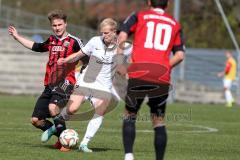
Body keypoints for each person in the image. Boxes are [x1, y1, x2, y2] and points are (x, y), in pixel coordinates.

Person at [43, 18, 132, 152]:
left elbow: (124, 67)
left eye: (107, 33)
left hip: (103, 87)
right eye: (102, 33)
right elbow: (79, 54)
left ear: (115, 32)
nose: (104, 35)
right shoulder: (95, 41)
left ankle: (84, 144)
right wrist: (65, 60)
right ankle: (55, 127)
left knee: (100, 111)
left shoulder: (123, 48)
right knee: (72, 109)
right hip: (86, 81)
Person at [8, 9, 87, 151]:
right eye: (54, 25)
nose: (57, 28)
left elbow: (88, 58)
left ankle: (65, 142)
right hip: (49, 85)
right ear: (51, 26)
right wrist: (17, 37)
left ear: (66, 24)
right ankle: (62, 135)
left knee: (52, 108)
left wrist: (80, 79)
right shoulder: (51, 40)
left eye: (60, 25)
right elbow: (36, 47)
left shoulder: (75, 42)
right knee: (36, 120)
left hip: (66, 83)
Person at [116, 0, 185, 159]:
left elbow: (122, 35)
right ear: (167, 4)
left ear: (149, 2)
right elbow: (180, 55)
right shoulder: (175, 24)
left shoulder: (139, 16)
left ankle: (128, 156)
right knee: (158, 120)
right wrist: (165, 67)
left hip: (139, 73)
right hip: (161, 77)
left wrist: (120, 61)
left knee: (130, 114)